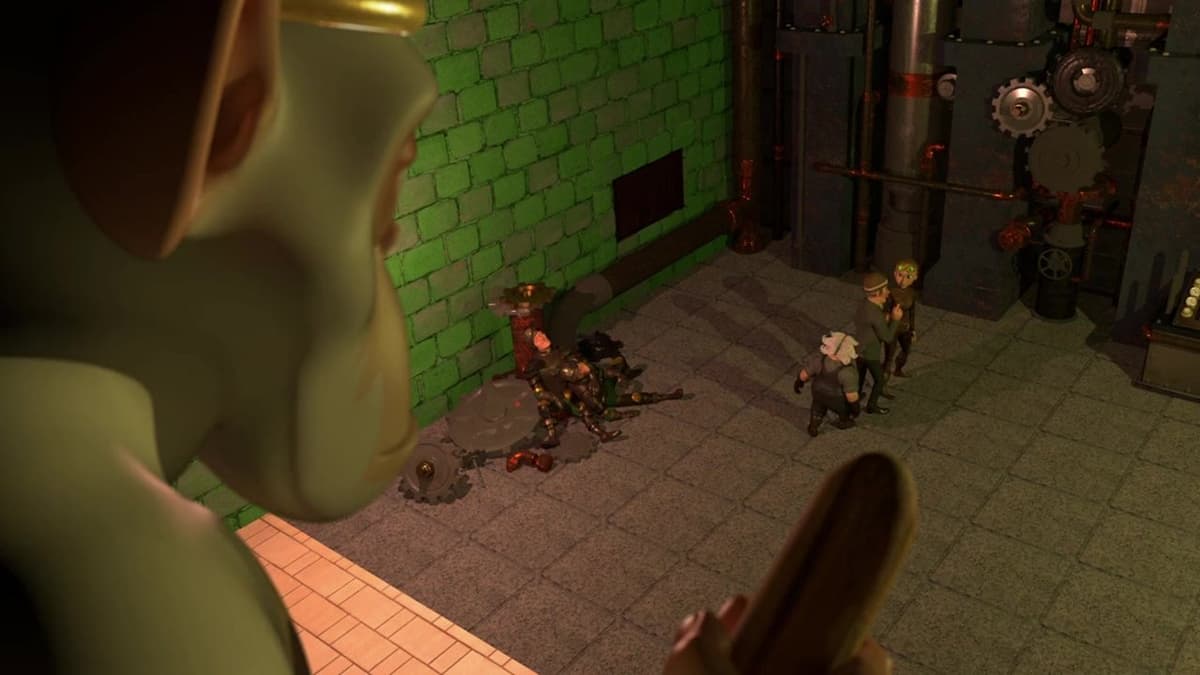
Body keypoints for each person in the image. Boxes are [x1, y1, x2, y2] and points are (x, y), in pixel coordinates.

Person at [795, 332, 862, 436]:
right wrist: (856, 408)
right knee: (844, 411)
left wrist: (799, 382)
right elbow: (851, 396)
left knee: (817, 408)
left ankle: (813, 427)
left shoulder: (818, 360)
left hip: (818, 392)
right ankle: (843, 422)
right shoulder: (848, 372)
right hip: (837, 399)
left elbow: (804, 374)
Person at [854, 272, 903, 415]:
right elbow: (887, 337)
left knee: (860, 376)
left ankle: (855, 398)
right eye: (885, 289)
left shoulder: (864, 305)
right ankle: (872, 405)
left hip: (859, 348)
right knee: (879, 380)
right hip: (871, 353)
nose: (888, 292)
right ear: (877, 293)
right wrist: (895, 319)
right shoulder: (875, 315)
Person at [884, 259, 920, 379]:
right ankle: (883, 378)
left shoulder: (912, 293)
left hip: (905, 328)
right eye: (900, 275)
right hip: (892, 327)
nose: (903, 280)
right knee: (889, 355)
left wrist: (912, 329)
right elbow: (885, 310)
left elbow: (912, 312)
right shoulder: (891, 292)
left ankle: (898, 369)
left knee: (906, 350)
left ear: (915, 277)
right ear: (895, 274)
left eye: (908, 277)